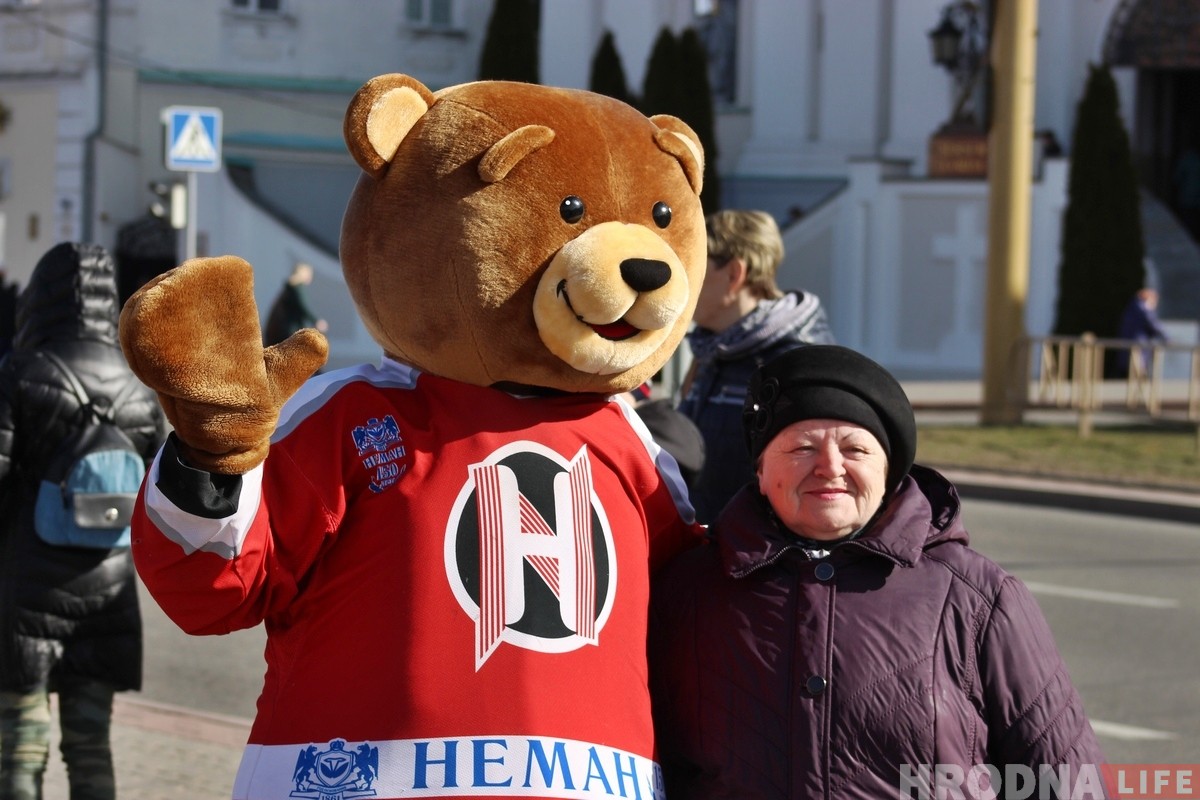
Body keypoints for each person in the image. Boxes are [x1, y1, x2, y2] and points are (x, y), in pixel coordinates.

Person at [650, 345, 1106, 799]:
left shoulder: (978, 598)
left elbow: (1067, 782)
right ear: (761, 470)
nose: (830, 467)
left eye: (855, 448)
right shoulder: (689, 591)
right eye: (802, 447)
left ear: (888, 471)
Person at [0, 243, 166, 800]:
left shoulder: (20, 373)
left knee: (21, 746)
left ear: (40, 300)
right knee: (91, 746)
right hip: (108, 591)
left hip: (26, 589)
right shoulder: (139, 389)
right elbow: (156, 495)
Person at [677, 209, 834, 523]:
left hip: (755, 547)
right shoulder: (709, 349)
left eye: (694, 266)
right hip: (707, 540)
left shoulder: (794, 364)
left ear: (734, 274)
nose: (682, 280)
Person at [262, 261, 327, 346]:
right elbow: (303, 307)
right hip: (290, 331)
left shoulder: (289, 288)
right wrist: (316, 321)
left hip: (281, 330)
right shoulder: (297, 287)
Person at [1115, 287, 1169, 375]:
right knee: (1138, 369)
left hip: (1133, 342)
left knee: (1132, 368)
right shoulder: (1143, 308)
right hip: (1138, 343)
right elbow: (1152, 323)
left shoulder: (1133, 307)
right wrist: (1166, 337)